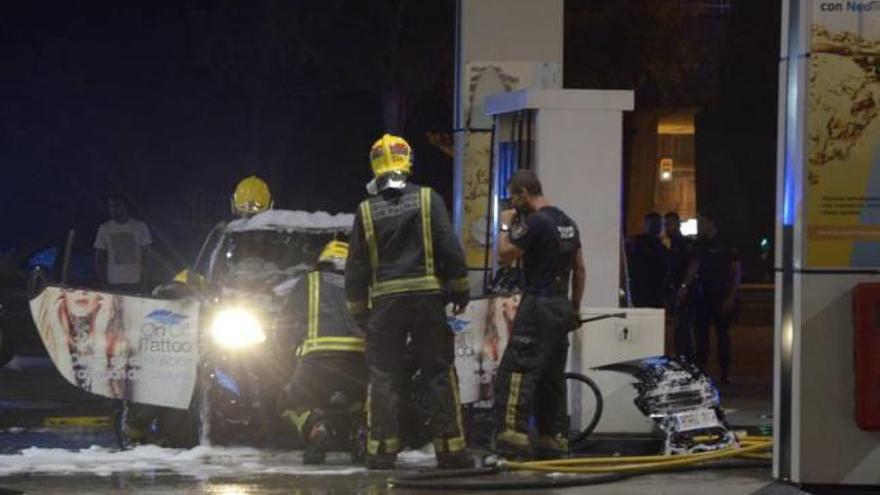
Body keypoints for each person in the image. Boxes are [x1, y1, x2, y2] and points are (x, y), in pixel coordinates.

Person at [345, 133, 472, 470]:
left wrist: (359, 312)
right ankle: (451, 449)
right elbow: (449, 249)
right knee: (437, 371)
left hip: (385, 304)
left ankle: (382, 451)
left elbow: (355, 267)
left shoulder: (366, 211)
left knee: (384, 374)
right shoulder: (429, 200)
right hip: (428, 300)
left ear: (376, 165)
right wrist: (460, 291)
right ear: (408, 160)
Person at [493, 169, 586, 460]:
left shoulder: (535, 223)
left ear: (523, 193)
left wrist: (505, 226)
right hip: (560, 306)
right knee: (550, 374)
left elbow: (504, 255)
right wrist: (574, 307)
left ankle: (512, 441)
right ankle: (553, 439)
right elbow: (580, 268)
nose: (512, 203)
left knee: (516, 371)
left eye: (513, 196)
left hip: (538, 305)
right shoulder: (567, 222)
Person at [278, 240, 367, 465]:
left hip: (316, 359)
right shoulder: (363, 283)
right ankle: (361, 429)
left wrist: (285, 351)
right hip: (358, 358)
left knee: (289, 401)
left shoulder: (308, 281)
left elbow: (285, 323)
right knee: (359, 399)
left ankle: (315, 426)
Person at [676, 210, 741, 385]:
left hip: (721, 293)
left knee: (722, 334)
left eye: (701, 222)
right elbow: (694, 266)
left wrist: (732, 295)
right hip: (703, 294)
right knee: (701, 333)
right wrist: (685, 287)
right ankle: (701, 369)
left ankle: (725, 370)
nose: (699, 225)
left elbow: (736, 270)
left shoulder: (726, 242)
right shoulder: (701, 243)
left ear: (711, 223)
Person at [34, 287, 129, 398]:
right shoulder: (43, 336)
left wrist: (99, 339)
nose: (82, 291)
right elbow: (62, 397)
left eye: (92, 285)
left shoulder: (118, 343)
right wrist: (61, 342)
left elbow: (104, 400)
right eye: (71, 287)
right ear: (60, 293)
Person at [94, 194, 152, 293]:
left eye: (117, 206)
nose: (114, 209)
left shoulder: (140, 226)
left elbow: (146, 256)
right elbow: (99, 258)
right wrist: (103, 284)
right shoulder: (105, 228)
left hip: (136, 282)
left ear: (125, 207)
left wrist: (144, 282)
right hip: (113, 282)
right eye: (111, 206)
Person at [664, 212, 695, 361]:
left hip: (682, 291)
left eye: (670, 224)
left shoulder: (683, 244)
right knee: (679, 325)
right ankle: (681, 356)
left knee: (682, 325)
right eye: (666, 224)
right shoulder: (673, 244)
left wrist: (683, 287)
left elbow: (689, 267)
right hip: (676, 289)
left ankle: (684, 357)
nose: (667, 227)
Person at [626, 212, 668, 308]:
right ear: (646, 225)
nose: (656, 228)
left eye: (658, 225)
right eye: (653, 224)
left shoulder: (661, 247)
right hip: (640, 289)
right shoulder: (636, 242)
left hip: (656, 291)